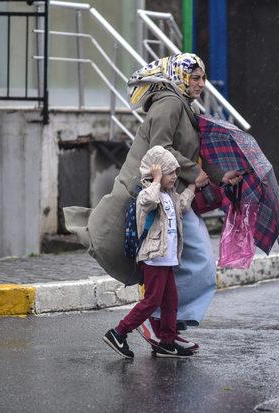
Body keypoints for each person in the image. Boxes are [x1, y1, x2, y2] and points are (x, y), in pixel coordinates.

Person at [63, 53, 241, 349]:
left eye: (203, 78)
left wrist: (221, 175)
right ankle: (156, 325)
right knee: (192, 264)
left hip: (174, 197)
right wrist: (193, 172)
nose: (201, 84)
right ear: (180, 77)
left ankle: (166, 327)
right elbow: (161, 148)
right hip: (154, 196)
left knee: (191, 264)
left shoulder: (186, 107)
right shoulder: (170, 103)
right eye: (195, 77)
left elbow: (190, 154)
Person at [103, 146, 196, 359]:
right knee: (152, 300)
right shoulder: (147, 193)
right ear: (157, 172)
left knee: (171, 300)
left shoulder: (170, 195)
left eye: (175, 172)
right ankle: (119, 332)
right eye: (170, 172)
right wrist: (155, 180)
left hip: (167, 259)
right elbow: (148, 202)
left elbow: (181, 206)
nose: (174, 177)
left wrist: (192, 187)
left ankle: (167, 341)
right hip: (153, 258)